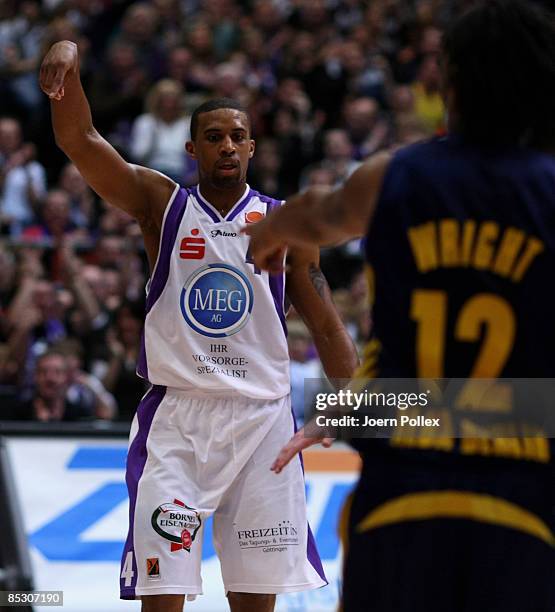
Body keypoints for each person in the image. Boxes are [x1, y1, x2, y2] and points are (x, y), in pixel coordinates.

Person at [245, 1, 555, 611]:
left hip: (402, 493)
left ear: (451, 83)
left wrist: (269, 233)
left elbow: (315, 211)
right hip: (525, 502)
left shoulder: (393, 176)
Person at [39, 41, 358, 612]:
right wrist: (67, 63)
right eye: (214, 136)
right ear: (192, 148)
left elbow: (329, 329)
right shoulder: (161, 205)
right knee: (163, 596)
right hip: (178, 421)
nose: (227, 145)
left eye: (237, 135)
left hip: (264, 423)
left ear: (253, 146)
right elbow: (79, 141)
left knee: (254, 601)